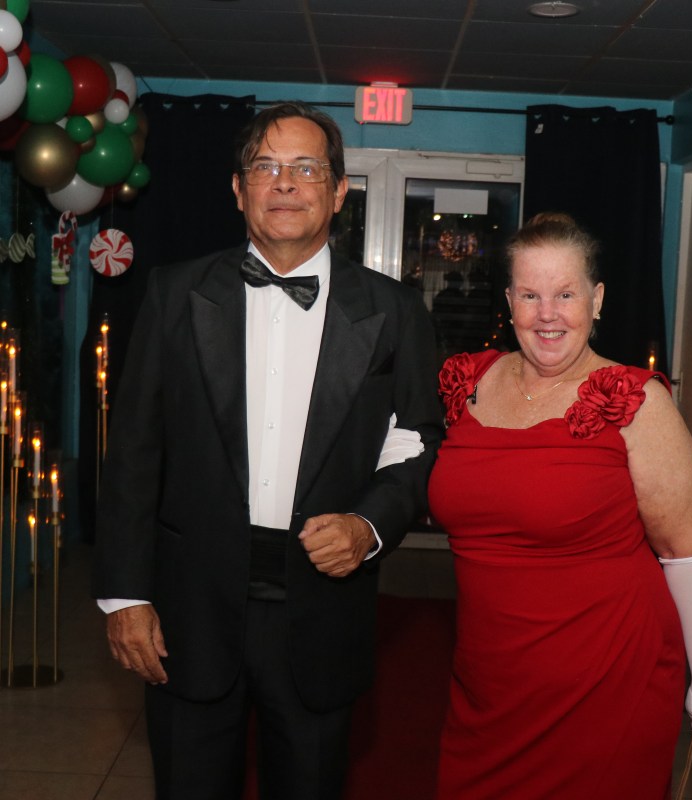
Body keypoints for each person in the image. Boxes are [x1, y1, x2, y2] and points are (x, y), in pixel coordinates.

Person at [92, 101, 443, 800]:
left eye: (307, 168)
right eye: (266, 167)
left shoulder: (395, 311)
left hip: (324, 606)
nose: (285, 183)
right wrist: (125, 594)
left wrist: (369, 525)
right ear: (238, 189)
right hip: (189, 607)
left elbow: (415, 439)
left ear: (338, 192)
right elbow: (134, 449)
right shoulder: (173, 294)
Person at [428, 212, 692, 800]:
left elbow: (687, 550)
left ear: (596, 300)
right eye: (530, 295)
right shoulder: (469, 382)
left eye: (565, 294)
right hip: (488, 686)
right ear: (509, 302)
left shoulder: (633, 401)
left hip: (607, 679)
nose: (547, 314)